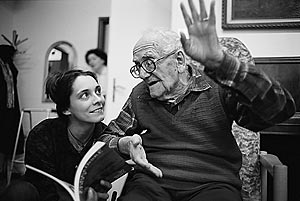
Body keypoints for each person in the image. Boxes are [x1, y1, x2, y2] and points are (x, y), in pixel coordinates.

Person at [98, 0, 296, 201]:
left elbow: (280, 109)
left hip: (212, 186)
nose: (141, 74)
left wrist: (224, 64)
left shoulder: (217, 87)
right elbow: (103, 141)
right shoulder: (140, 94)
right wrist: (123, 143)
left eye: (148, 63)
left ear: (180, 61)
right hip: (150, 184)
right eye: (137, 66)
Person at [5, 69, 111, 201]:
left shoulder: (107, 137)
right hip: (45, 197)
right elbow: (43, 186)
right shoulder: (43, 135)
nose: (98, 100)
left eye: (98, 91)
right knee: (19, 191)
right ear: (66, 109)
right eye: (85, 95)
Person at [0, 44, 25, 180]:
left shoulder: (9, 65)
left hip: (11, 107)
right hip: (3, 108)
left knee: (10, 137)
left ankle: (8, 172)